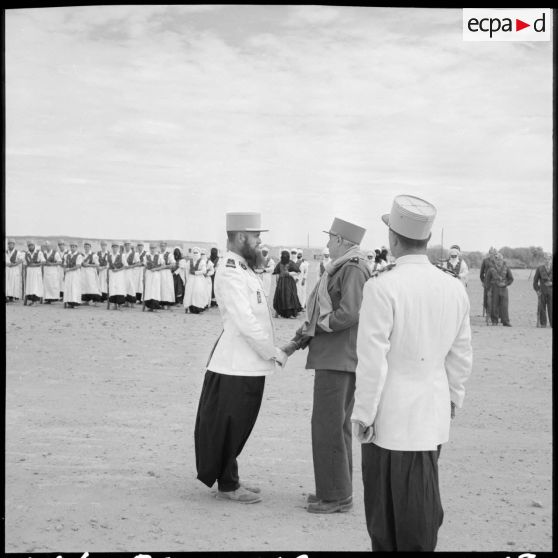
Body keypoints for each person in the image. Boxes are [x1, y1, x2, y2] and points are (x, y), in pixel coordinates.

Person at [351, 194, 473, 551]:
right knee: (421, 508)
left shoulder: (382, 285)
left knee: (386, 519)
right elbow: (460, 354)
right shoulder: (453, 287)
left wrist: (363, 414)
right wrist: (453, 397)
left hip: (389, 418)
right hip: (431, 414)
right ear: (428, 237)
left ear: (393, 237)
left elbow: (372, 361)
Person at [195, 211, 287, 504]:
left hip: (249, 363)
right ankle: (228, 485)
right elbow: (246, 322)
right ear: (241, 237)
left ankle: (230, 476)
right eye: (256, 236)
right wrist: (272, 352)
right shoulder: (230, 271)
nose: (260, 241)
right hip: (236, 363)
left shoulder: (244, 268)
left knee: (239, 424)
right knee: (230, 424)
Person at [281, 217, 371, 514]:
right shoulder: (342, 267)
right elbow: (320, 313)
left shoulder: (353, 268)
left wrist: (322, 325)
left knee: (328, 427)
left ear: (344, 242)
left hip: (339, 359)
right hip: (333, 357)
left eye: (331, 238)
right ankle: (335, 491)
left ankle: (335, 497)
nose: (328, 243)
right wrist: (298, 341)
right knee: (334, 427)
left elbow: (350, 312)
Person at [485, 252, 514, 326]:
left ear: (502, 259)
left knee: (504, 306)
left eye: (500, 259)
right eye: (497, 259)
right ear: (495, 260)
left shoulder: (506, 268)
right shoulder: (491, 269)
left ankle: (506, 322)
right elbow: (487, 280)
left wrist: (506, 284)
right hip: (494, 288)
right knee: (494, 305)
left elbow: (511, 279)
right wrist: (488, 290)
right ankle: (494, 321)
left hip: (504, 289)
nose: (498, 261)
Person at [272, 250, 302, 318]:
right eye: (283, 256)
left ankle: (290, 314)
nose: (284, 257)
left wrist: (289, 273)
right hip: (281, 282)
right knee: (280, 296)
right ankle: (278, 313)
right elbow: (277, 272)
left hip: (289, 282)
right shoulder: (279, 263)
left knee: (289, 296)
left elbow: (298, 272)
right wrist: (277, 280)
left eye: (286, 256)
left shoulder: (291, 263)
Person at [183, 247, 207, 314]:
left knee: (197, 293)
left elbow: (204, 271)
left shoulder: (202, 261)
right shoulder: (189, 261)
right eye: (194, 253)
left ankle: (198, 308)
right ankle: (188, 307)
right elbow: (187, 270)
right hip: (191, 279)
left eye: (197, 253)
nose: (195, 254)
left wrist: (196, 273)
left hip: (199, 279)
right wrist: (187, 279)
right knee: (189, 293)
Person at [533, 252, 552, 328]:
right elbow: (535, 281)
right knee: (542, 308)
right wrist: (537, 290)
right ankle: (543, 324)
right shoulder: (539, 268)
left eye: (548, 258)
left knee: (551, 308)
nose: (547, 260)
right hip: (542, 291)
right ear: (544, 259)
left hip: (551, 291)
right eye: (545, 258)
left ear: (551, 259)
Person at [24, 240, 45, 305]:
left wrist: (36, 265)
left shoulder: (39, 253)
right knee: (30, 286)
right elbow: (25, 264)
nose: (30, 247)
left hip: (36, 271)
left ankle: (35, 301)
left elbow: (43, 261)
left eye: (32, 245)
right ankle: (31, 300)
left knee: (36, 285)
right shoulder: (27, 253)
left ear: (34, 246)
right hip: (29, 271)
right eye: (29, 246)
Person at [143, 243, 163, 311]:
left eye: (154, 248)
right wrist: (143, 276)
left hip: (156, 274)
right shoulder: (146, 256)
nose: (152, 249)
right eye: (151, 248)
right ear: (149, 248)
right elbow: (145, 267)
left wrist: (156, 269)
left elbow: (163, 266)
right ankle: (149, 306)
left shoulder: (159, 256)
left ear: (156, 248)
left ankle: (155, 306)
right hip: (148, 274)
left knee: (155, 290)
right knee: (149, 290)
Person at [63, 242, 83, 308]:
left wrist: (68, 269)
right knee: (68, 287)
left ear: (76, 248)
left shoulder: (79, 256)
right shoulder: (67, 255)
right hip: (68, 274)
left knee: (75, 287)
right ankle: (69, 302)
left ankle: (75, 303)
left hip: (75, 273)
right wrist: (65, 272)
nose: (72, 248)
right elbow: (65, 265)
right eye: (71, 247)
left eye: (74, 247)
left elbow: (78, 266)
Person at [107, 241, 127, 310]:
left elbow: (125, 266)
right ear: (112, 248)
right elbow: (108, 266)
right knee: (113, 289)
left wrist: (118, 270)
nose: (115, 249)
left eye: (116, 247)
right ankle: (114, 304)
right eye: (113, 247)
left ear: (118, 248)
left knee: (119, 289)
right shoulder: (109, 256)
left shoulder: (122, 255)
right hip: (112, 274)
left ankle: (120, 305)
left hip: (119, 275)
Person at [480, 247, 497, 317]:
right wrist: (483, 281)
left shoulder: (497, 260)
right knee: (486, 298)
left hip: (496, 282)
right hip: (487, 282)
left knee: (496, 298)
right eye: (491, 253)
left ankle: (496, 314)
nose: (492, 254)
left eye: (493, 253)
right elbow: (481, 273)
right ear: (489, 253)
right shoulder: (485, 260)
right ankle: (488, 313)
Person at [5, 238, 24, 302]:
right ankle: (7, 296)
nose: (11, 245)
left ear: (14, 245)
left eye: (12, 244)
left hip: (14, 269)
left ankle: (12, 297)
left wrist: (15, 264)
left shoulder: (17, 252)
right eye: (9, 244)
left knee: (13, 282)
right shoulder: (6, 252)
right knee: (7, 283)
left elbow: (21, 260)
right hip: (7, 269)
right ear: (8, 245)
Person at [159, 241, 176, 309]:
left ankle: (167, 303)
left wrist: (165, 266)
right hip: (160, 273)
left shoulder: (169, 254)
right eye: (161, 246)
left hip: (166, 273)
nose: (162, 247)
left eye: (163, 246)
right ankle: (161, 303)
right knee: (161, 288)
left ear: (166, 246)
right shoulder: (158, 254)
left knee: (167, 288)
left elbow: (173, 264)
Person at [123, 241, 140, 307]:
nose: (127, 246)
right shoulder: (123, 254)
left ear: (130, 246)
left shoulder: (134, 254)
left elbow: (138, 263)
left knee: (131, 287)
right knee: (125, 286)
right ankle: (126, 302)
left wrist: (130, 266)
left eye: (128, 245)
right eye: (126, 245)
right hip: (124, 272)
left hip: (131, 272)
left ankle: (132, 303)